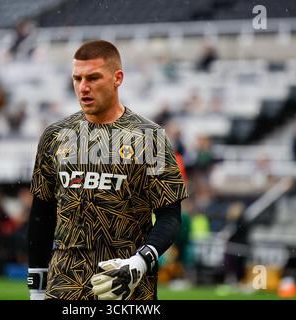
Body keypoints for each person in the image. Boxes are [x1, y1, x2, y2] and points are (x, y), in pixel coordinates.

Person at [27, 40, 188, 300]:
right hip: (64, 287)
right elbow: (41, 214)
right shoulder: (55, 136)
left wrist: (140, 261)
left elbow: (170, 217)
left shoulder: (149, 138)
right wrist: (36, 288)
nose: (83, 87)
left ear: (117, 78)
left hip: (127, 289)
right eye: (77, 78)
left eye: (93, 78)